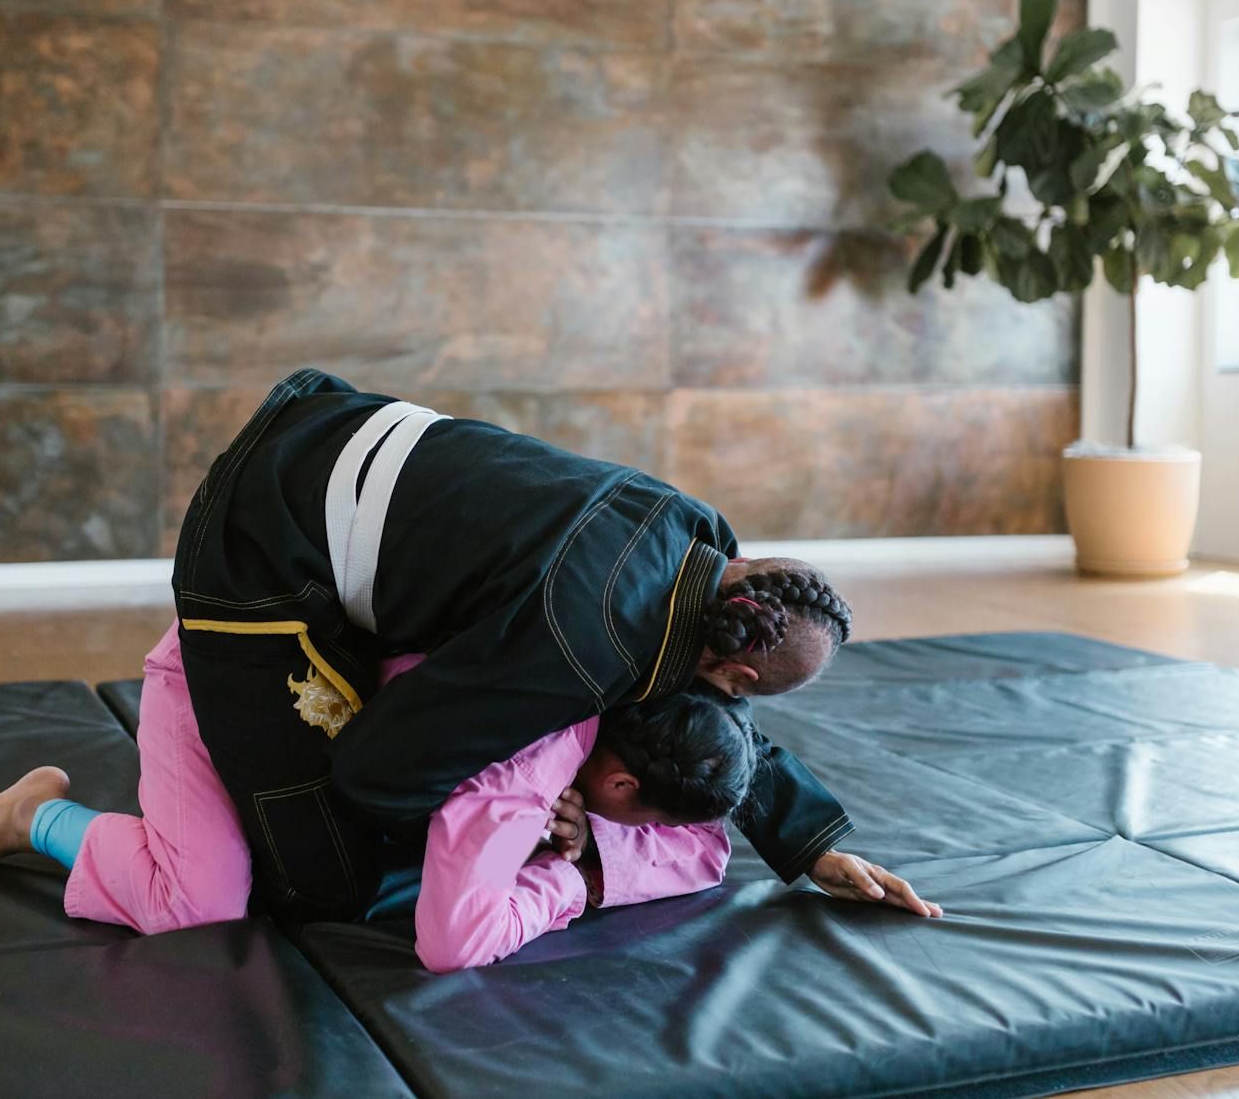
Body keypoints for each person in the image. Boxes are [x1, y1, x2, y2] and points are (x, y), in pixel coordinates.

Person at [163, 369, 937, 920]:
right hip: (253, 549)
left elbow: (696, 702)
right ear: (734, 666)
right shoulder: (584, 646)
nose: (720, 703)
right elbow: (375, 770)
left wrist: (808, 840)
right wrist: (528, 823)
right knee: (328, 882)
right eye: (737, 693)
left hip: (323, 418)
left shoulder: (693, 531)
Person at [0, 627, 767, 972]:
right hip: (224, 686)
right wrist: (572, 884)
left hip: (306, 718)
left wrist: (576, 842)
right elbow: (457, 940)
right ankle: (33, 814)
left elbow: (702, 844)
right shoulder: (531, 756)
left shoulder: (611, 663)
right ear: (622, 784)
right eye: (641, 822)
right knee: (199, 904)